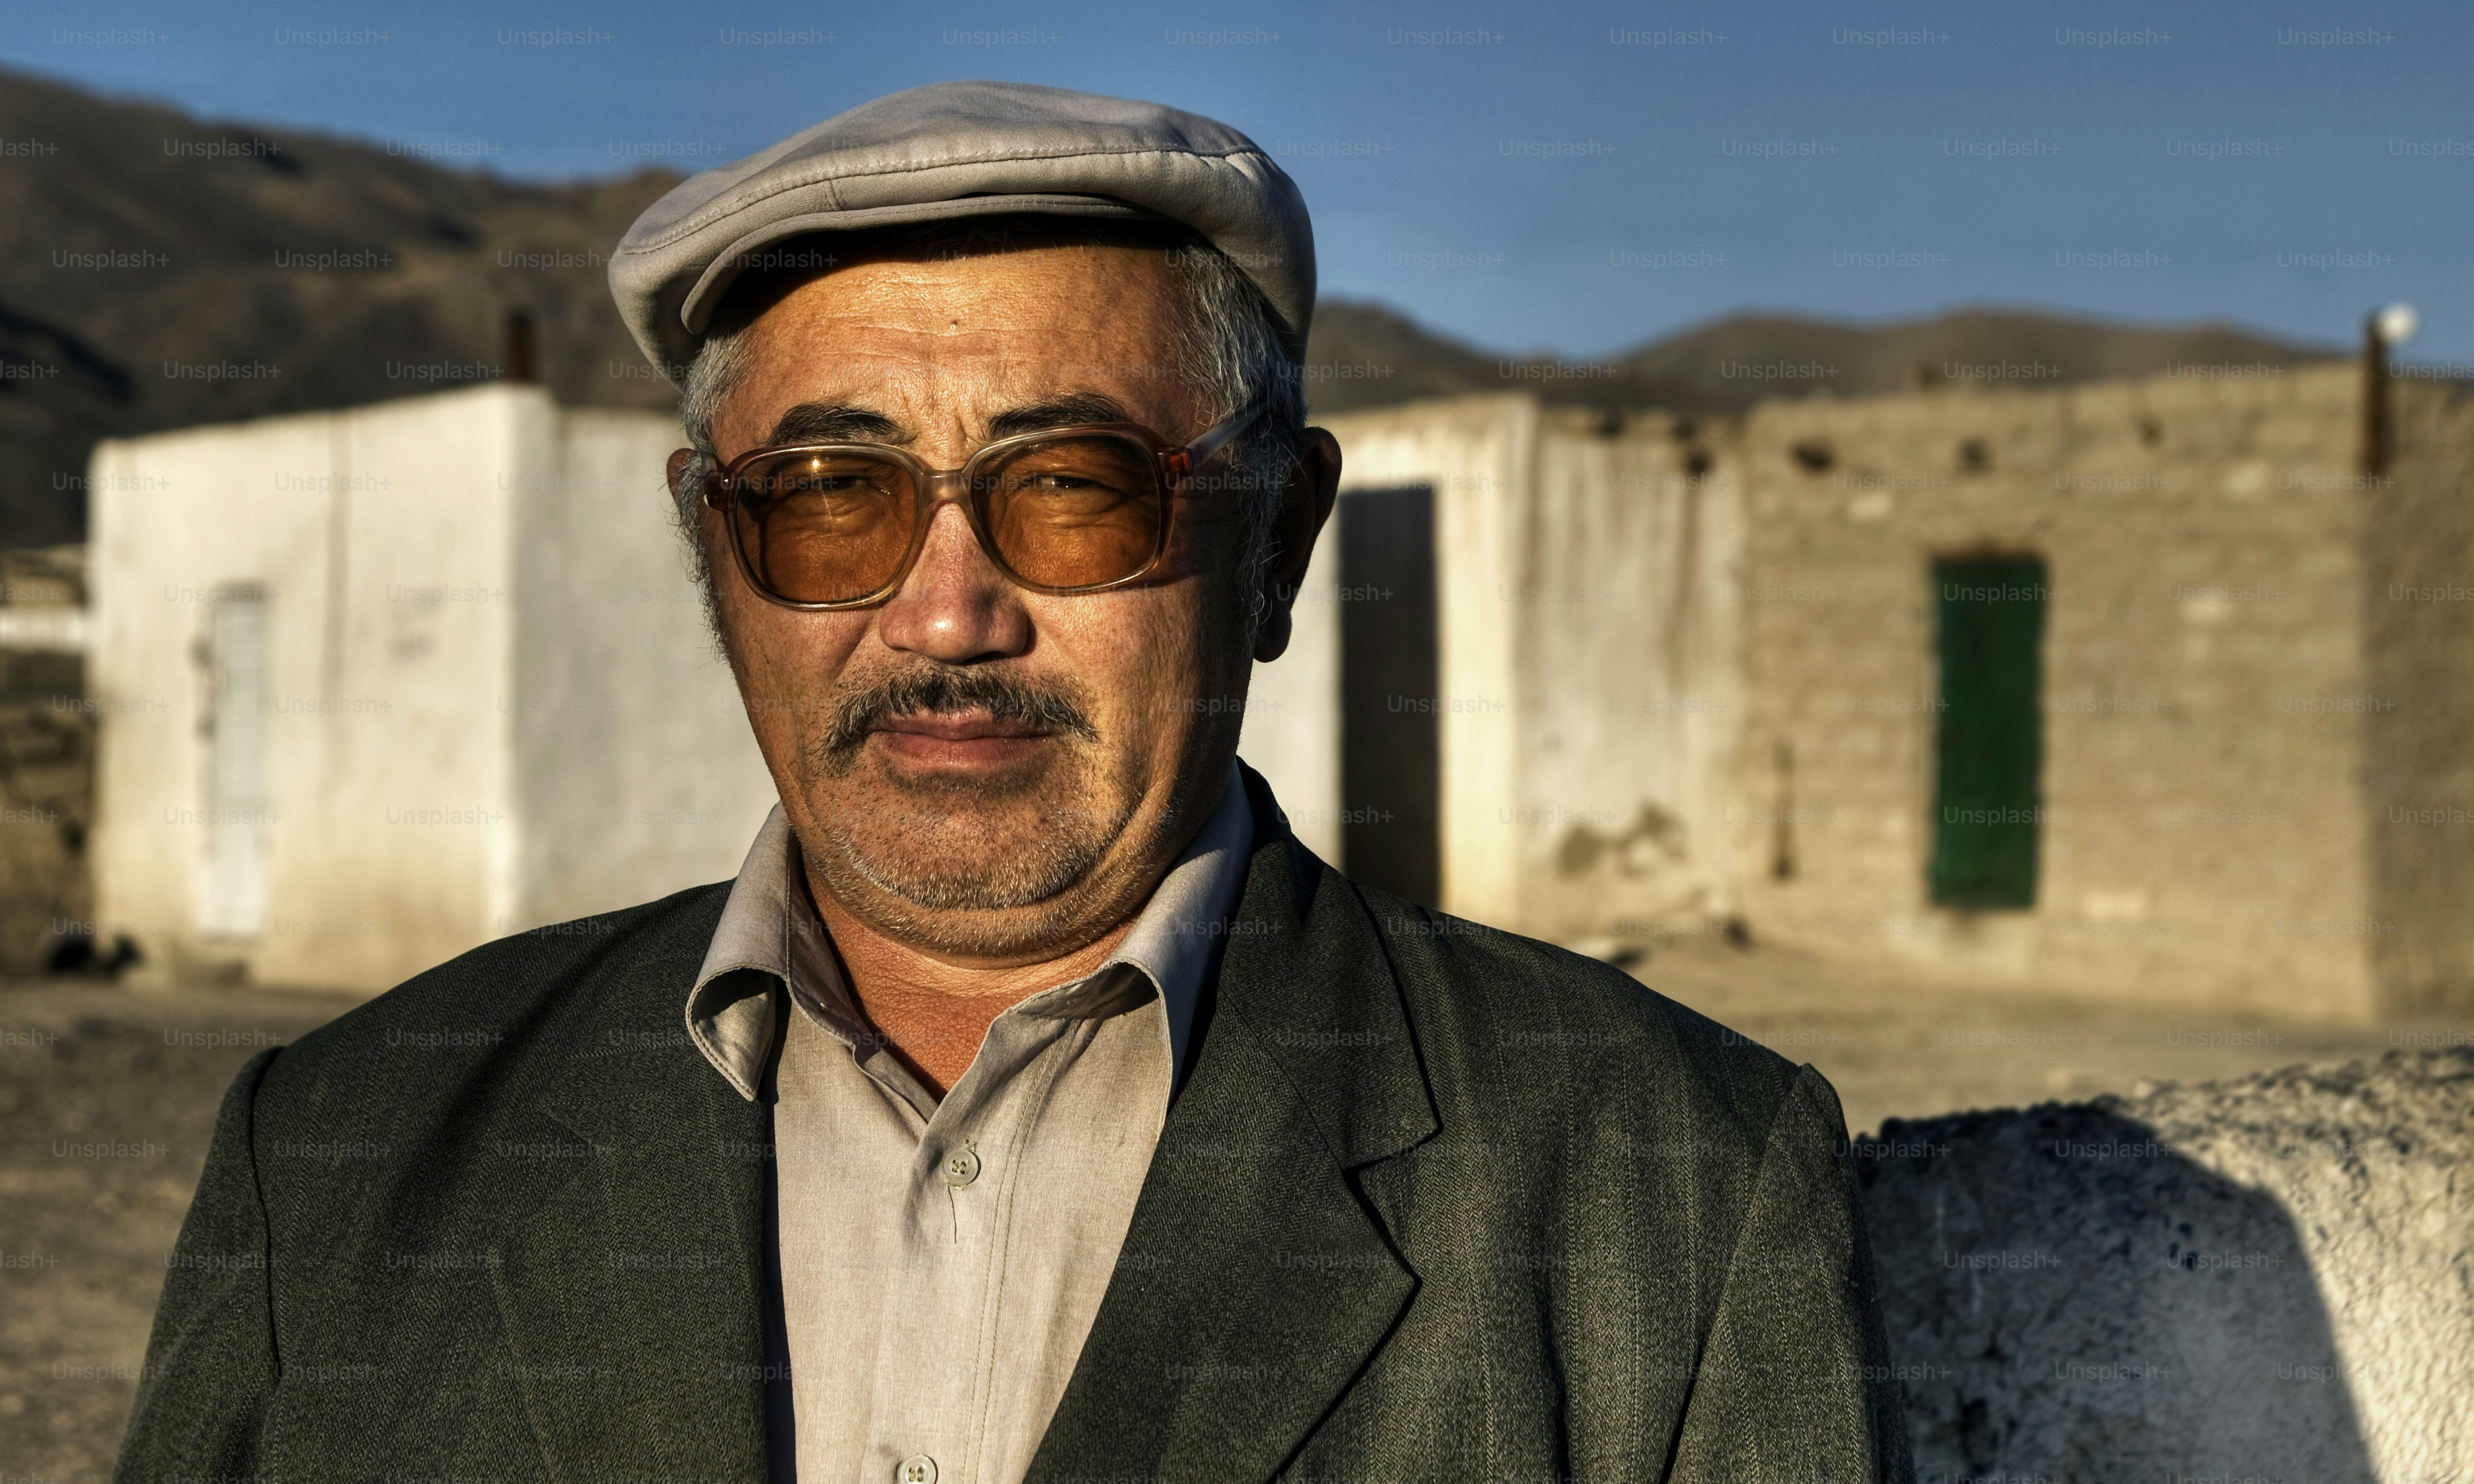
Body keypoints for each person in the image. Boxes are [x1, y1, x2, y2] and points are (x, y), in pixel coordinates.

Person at [118, 82, 1913, 1484]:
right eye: (831, 496)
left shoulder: (1662, 1182)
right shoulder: (346, 1148)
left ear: (1275, 544)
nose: (949, 609)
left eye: (1075, 488)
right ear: (712, 554)